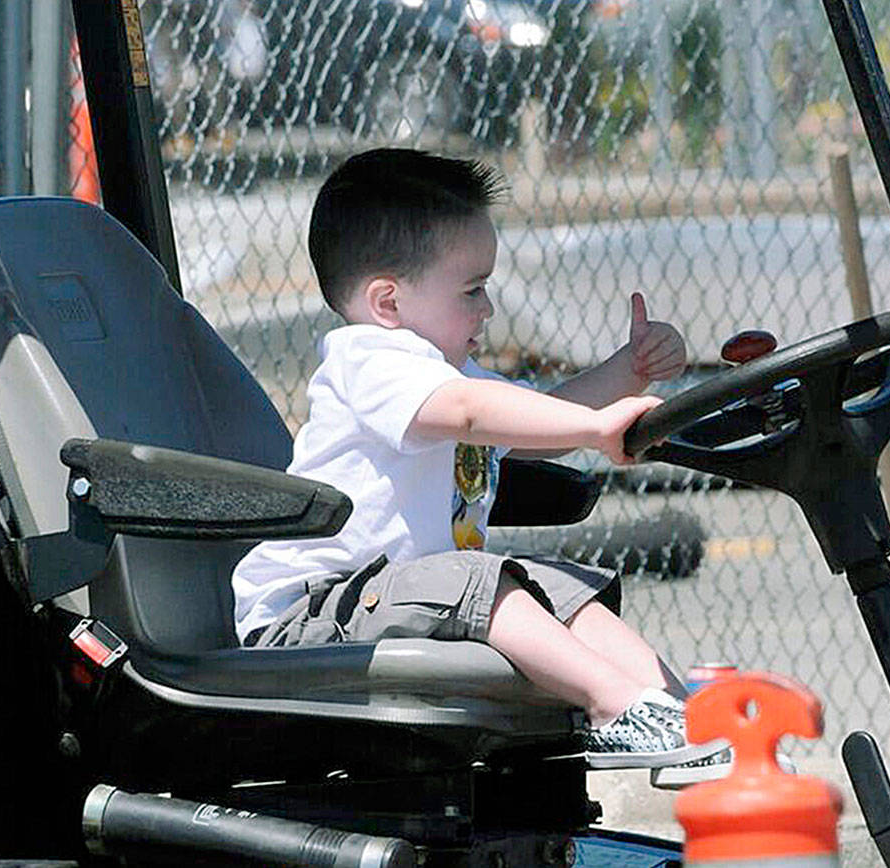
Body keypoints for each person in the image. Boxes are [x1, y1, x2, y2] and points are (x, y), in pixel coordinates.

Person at [231, 148, 727, 783]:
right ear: (388, 302)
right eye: (473, 289)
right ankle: (615, 708)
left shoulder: (445, 372)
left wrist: (624, 374)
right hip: (312, 616)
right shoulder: (369, 360)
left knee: (559, 587)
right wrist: (595, 428)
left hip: (399, 595)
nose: (488, 309)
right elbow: (470, 413)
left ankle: (684, 720)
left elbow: (532, 420)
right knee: (482, 581)